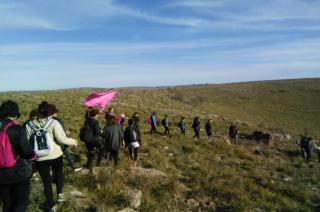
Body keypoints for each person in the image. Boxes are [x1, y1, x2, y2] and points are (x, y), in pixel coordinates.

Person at [25, 101, 78, 211]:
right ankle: (59, 195)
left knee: (46, 181)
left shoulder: (29, 124)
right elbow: (61, 139)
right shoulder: (54, 123)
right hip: (55, 155)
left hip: (40, 158)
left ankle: (51, 204)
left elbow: (26, 141)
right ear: (49, 112)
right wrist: (74, 141)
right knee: (58, 173)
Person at [0, 100, 36, 212]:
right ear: (15, 114)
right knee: (20, 204)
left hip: (1, 175)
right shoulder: (17, 129)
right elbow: (26, 152)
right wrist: (33, 156)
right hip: (18, 173)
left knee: (6, 204)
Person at [82, 108, 105, 173]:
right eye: (98, 114)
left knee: (91, 152)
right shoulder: (95, 121)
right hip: (93, 139)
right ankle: (98, 163)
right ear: (96, 114)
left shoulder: (87, 120)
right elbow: (97, 132)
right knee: (102, 148)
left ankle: (89, 167)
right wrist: (101, 131)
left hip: (86, 139)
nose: (98, 116)